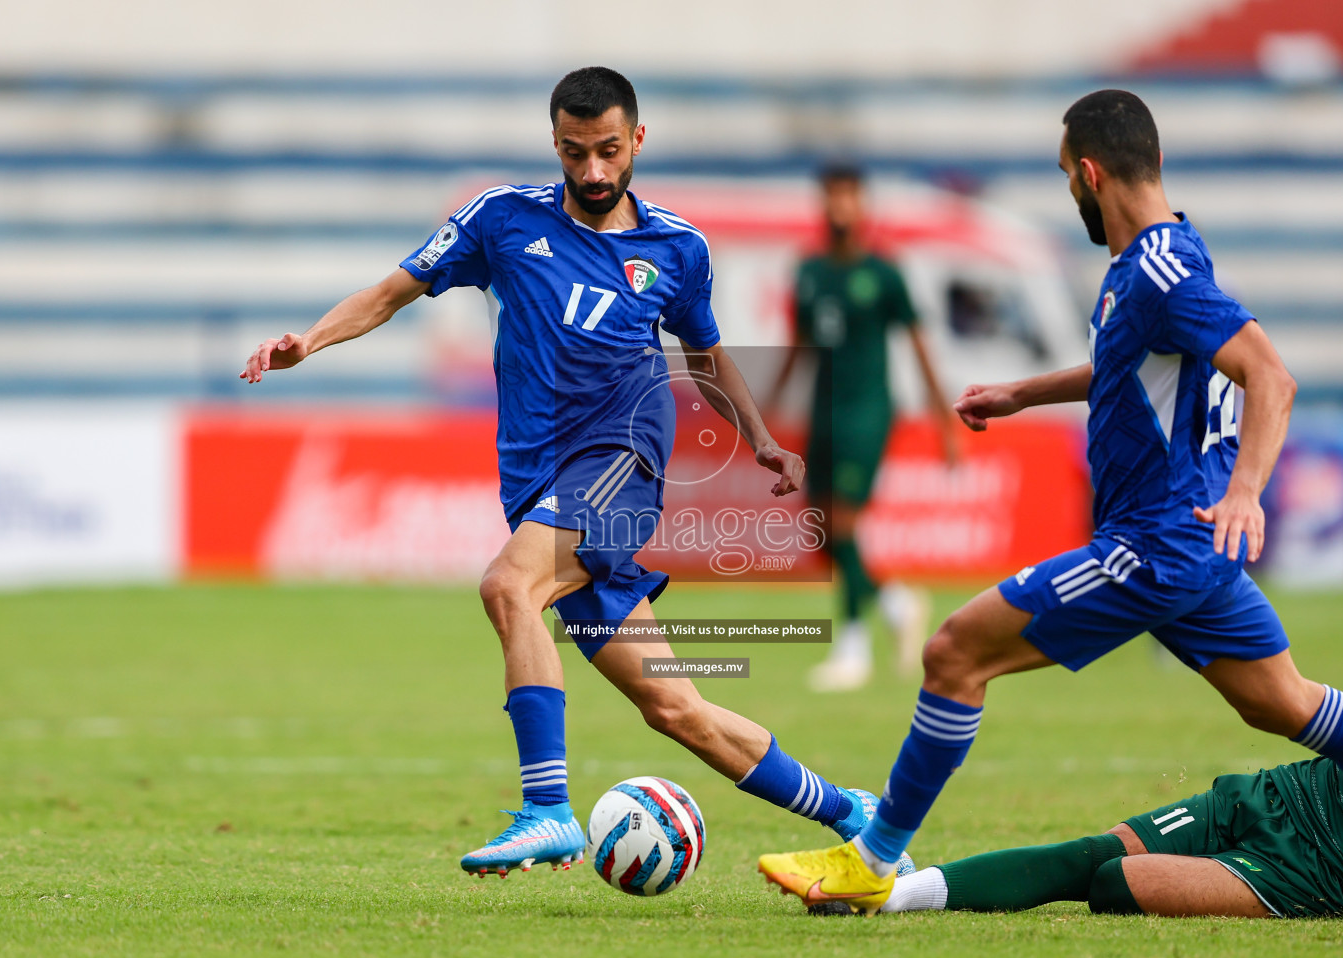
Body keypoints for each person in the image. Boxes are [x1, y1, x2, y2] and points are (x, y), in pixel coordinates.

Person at [756, 89, 1343, 921]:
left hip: (1156, 543)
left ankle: (871, 861)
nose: (1070, 194)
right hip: (1193, 549)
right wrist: (1026, 393)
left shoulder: (1162, 270)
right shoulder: (1156, 263)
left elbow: (1271, 374)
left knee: (954, 653)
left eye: (1066, 178)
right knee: (1286, 700)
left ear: (1090, 173)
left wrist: (1246, 492)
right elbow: (1130, 369)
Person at [242, 67, 910, 879]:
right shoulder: (501, 219)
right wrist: (309, 340)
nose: (592, 172)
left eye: (606, 151)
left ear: (636, 141)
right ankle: (856, 812)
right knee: (676, 708)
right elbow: (392, 292)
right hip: (538, 479)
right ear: (553, 144)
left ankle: (547, 810)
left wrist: (760, 437)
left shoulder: (676, 247)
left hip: (621, 465)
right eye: (573, 153)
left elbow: (704, 353)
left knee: (507, 587)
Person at [816, 540, 1343, 921]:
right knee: (1090, 854)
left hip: (1329, 874)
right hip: (1277, 797)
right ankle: (895, 895)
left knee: (1112, 883)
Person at [767, 164, 959, 693]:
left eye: (848, 195)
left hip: (868, 411)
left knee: (845, 525)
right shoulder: (808, 271)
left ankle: (853, 648)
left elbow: (920, 348)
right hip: (822, 411)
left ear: (862, 203)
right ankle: (897, 600)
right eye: (831, 195)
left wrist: (945, 421)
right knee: (820, 532)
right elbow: (797, 346)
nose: (839, 206)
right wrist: (767, 412)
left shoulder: (885, 273)